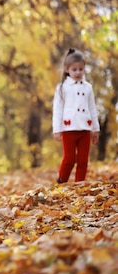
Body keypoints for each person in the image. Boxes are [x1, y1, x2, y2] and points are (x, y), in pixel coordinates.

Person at [52, 48, 100, 183]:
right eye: (74, 69)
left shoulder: (88, 87)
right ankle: (62, 180)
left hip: (85, 128)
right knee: (69, 159)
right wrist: (56, 130)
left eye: (80, 69)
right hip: (68, 129)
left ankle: (80, 184)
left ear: (84, 68)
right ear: (67, 69)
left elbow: (92, 108)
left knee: (83, 160)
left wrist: (96, 129)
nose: (78, 72)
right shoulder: (62, 87)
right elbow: (58, 109)